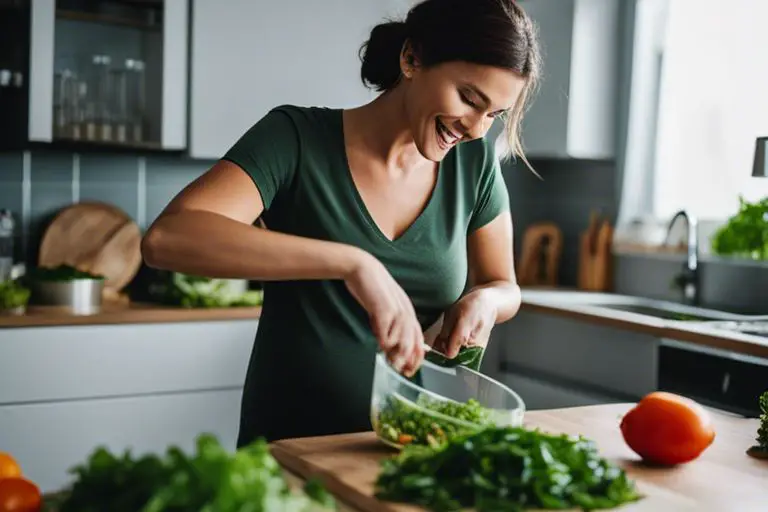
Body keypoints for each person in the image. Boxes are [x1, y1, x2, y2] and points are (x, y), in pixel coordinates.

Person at [141, 0, 542, 446]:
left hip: (410, 451)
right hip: (291, 455)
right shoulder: (295, 138)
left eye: (495, 115)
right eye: (470, 99)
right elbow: (167, 237)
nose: (476, 129)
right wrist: (355, 264)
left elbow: (504, 285)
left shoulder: (475, 163)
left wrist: (485, 302)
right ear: (412, 59)